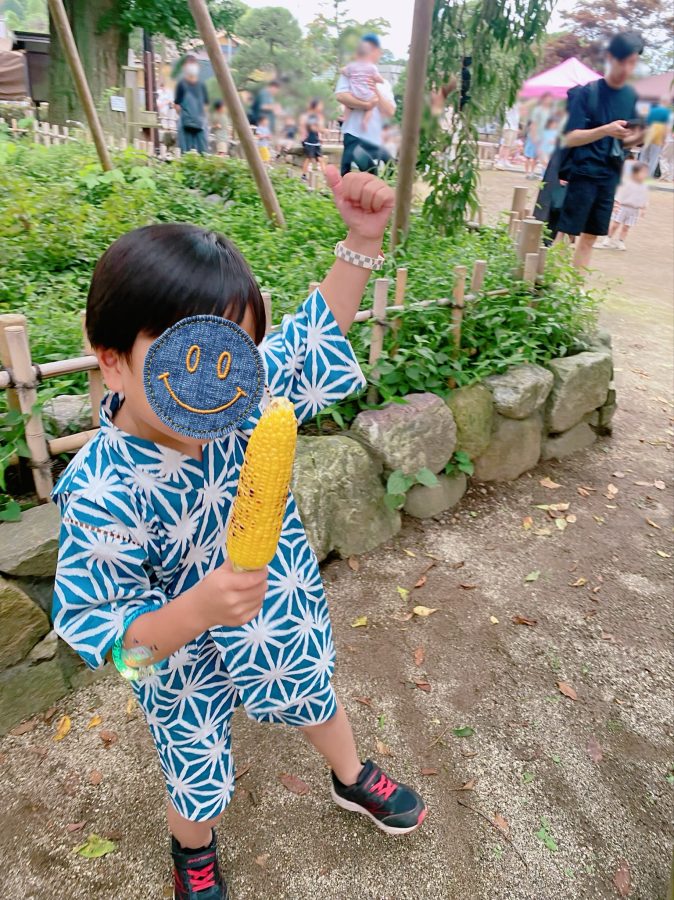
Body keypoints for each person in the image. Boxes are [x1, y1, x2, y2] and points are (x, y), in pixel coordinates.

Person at [51, 168, 427, 900]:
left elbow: (312, 337)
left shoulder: (240, 395)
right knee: (194, 770)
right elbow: (114, 644)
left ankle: (351, 777)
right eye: (188, 358)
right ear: (112, 358)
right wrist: (196, 610)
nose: (217, 380)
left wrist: (359, 242)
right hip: (178, 660)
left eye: (237, 353)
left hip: (276, 614)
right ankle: (192, 849)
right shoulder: (101, 490)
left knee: (313, 688)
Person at [555, 31, 646, 269]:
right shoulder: (587, 92)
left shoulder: (631, 96)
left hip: (610, 175)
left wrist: (637, 137)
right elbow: (570, 138)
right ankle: (548, 292)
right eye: (622, 61)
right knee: (564, 233)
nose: (627, 68)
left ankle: (574, 294)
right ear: (609, 57)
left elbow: (628, 140)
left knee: (590, 237)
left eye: (632, 62)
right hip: (583, 173)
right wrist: (605, 130)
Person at [335, 33, 396, 176]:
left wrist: (375, 90)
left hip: (377, 139)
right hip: (354, 135)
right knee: (358, 175)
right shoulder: (349, 74)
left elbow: (390, 111)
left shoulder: (384, 83)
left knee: (387, 173)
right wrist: (366, 105)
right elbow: (341, 96)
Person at [596, 160, 649, 250]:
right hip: (622, 207)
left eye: (646, 173)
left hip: (634, 210)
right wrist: (616, 205)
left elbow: (644, 197)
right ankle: (608, 238)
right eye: (643, 172)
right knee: (615, 225)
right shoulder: (627, 183)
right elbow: (619, 194)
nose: (645, 175)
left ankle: (621, 241)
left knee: (626, 227)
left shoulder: (644, 185)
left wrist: (644, 208)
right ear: (635, 173)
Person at [341, 42, 384, 130]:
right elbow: (377, 78)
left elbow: (344, 71)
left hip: (354, 94)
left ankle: (345, 117)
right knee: (371, 107)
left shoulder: (351, 66)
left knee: (347, 105)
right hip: (367, 95)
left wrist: (343, 71)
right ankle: (365, 121)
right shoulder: (372, 67)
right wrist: (381, 80)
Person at [174, 56, 209, 155]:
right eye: (189, 64)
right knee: (185, 154)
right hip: (185, 125)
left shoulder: (202, 85)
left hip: (200, 125)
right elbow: (177, 105)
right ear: (184, 67)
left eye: (193, 64)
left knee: (203, 153)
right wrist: (186, 115)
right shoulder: (181, 84)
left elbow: (206, 105)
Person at [640, 97, 672, 177]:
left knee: (644, 155)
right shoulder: (667, 112)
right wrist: (664, 139)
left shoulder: (652, 109)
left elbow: (645, 122)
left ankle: (639, 173)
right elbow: (666, 126)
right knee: (654, 157)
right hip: (658, 134)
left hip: (648, 133)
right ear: (667, 102)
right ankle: (648, 176)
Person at [300, 98, 326, 180]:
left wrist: (320, 136)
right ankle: (303, 175)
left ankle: (326, 176)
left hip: (315, 140)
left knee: (320, 159)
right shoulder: (310, 116)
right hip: (309, 141)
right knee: (309, 158)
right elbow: (313, 128)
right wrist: (323, 130)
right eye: (320, 105)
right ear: (315, 106)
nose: (321, 107)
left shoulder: (317, 116)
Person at [495, 103, 520, 169]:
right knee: (505, 144)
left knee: (509, 145)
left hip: (514, 127)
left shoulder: (518, 103)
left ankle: (505, 160)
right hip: (509, 126)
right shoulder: (510, 102)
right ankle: (500, 160)